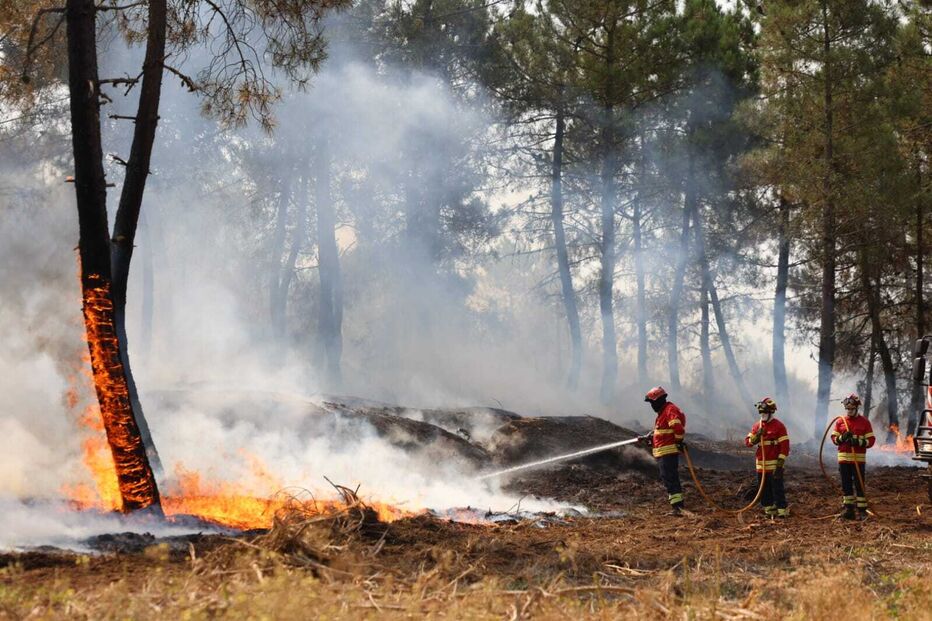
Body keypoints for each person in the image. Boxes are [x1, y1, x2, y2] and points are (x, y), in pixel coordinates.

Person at [638, 386, 686, 514]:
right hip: (663, 453)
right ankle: (677, 506)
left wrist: (679, 441)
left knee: (670, 479)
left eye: (652, 402)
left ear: (659, 400)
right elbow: (664, 432)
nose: (652, 406)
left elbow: (678, 428)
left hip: (667, 453)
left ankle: (678, 508)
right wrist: (651, 438)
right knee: (668, 478)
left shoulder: (669, 410)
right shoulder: (664, 412)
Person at [831, 394, 875, 520]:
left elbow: (871, 441)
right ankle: (849, 509)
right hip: (844, 459)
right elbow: (834, 439)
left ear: (856, 408)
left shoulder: (864, 422)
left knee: (859, 484)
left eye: (851, 409)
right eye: (847, 409)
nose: (849, 411)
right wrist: (842, 438)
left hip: (858, 460)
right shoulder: (840, 422)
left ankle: (862, 510)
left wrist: (857, 441)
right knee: (846, 485)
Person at [744, 397, 790, 518]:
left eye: (765, 412)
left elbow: (785, 446)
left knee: (777, 488)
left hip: (774, 465)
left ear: (771, 412)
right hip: (761, 465)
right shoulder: (756, 426)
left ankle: (782, 511)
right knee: (764, 489)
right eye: (761, 412)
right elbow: (748, 443)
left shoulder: (779, 426)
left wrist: (780, 464)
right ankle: (769, 510)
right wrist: (756, 437)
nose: (763, 415)